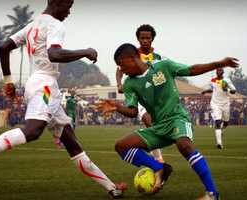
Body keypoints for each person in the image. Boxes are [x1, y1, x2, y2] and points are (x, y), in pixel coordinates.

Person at [0, 0, 126, 198]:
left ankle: (113, 188)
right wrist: (85, 52)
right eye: (68, 6)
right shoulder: (55, 25)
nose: (69, 12)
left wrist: (8, 81)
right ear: (58, 2)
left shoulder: (32, 25)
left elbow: (3, 48)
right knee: (33, 131)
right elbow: (54, 54)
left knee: (73, 145)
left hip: (36, 85)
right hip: (45, 87)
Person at [98, 43, 239, 200]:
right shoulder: (130, 84)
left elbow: (192, 70)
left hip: (177, 118)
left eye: (121, 65)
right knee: (121, 146)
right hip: (158, 127)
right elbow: (133, 111)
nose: (121, 70)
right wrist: (117, 107)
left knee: (184, 145)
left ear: (132, 58)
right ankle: (160, 168)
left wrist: (220, 63)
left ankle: (212, 194)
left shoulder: (163, 66)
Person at [116, 24, 166, 163]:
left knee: (159, 130)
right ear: (138, 39)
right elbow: (119, 69)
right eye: (142, 37)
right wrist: (120, 84)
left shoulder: (160, 55)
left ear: (152, 39)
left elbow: (167, 72)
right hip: (139, 96)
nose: (145, 40)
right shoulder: (132, 54)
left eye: (148, 38)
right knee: (150, 124)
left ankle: (154, 150)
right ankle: (159, 161)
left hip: (158, 98)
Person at [201, 68, 236, 149]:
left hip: (225, 104)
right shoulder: (212, 80)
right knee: (217, 122)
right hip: (215, 104)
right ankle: (219, 143)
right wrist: (205, 91)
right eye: (217, 70)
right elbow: (211, 89)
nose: (218, 72)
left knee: (226, 122)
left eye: (220, 70)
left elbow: (234, 91)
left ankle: (222, 128)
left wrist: (227, 89)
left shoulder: (227, 80)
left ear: (223, 72)